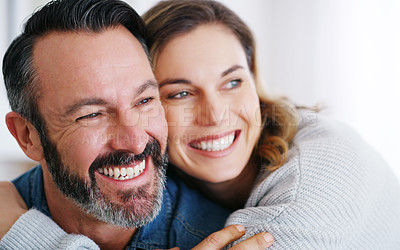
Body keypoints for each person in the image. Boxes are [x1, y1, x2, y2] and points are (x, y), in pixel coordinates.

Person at [0, 0, 274, 249]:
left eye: (144, 101)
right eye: (92, 114)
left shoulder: (223, 238)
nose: (135, 140)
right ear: (27, 136)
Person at [141, 0, 400, 248]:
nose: (216, 115)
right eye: (180, 94)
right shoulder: (150, 185)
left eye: (232, 82)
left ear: (254, 82)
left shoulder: (319, 169)